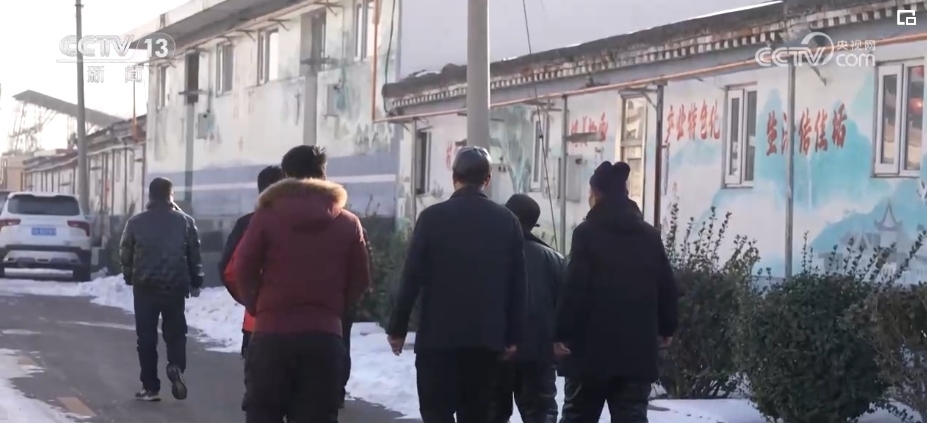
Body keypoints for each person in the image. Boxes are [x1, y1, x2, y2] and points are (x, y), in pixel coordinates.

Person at [386, 146, 527, 423]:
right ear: (488, 179)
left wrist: (398, 328)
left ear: (454, 177)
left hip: (437, 340)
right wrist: (513, 336)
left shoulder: (431, 218)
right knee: (476, 413)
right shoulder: (507, 221)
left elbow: (411, 277)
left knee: (436, 412)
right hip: (486, 341)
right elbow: (518, 283)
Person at [235, 145, 371, 423]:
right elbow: (360, 278)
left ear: (286, 176)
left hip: (272, 336)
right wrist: (333, 310)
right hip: (324, 338)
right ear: (323, 175)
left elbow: (242, 267)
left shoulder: (266, 217)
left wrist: (258, 304)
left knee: (263, 414)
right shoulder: (348, 222)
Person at [554, 161, 679, 423]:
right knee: (631, 416)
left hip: (589, 353)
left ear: (596, 193)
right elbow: (666, 285)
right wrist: (667, 327)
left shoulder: (586, 234)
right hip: (636, 352)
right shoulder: (650, 236)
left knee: (579, 415)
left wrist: (561, 333)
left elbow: (574, 286)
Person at [120, 177, 204, 402]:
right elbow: (194, 256)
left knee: (146, 338)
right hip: (175, 287)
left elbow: (125, 252)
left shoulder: (135, 222)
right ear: (170, 195)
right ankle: (176, 366)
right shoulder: (185, 222)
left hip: (145, 287)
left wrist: (129, 276)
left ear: (150, 196)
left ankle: (150, 387)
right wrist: (196, 281)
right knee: (176, 334)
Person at [487, 194, 564, 423]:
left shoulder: (489, 255)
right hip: (539, 353)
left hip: (496, 350)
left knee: (492, 412)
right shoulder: (554, 259)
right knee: (540, 412)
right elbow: (565, 305)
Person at [218, 165, 287, 359]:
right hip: (310, 329)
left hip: (259, 322)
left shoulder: (249, 223)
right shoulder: (316, 221)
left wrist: (251, 301)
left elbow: (230, 270)